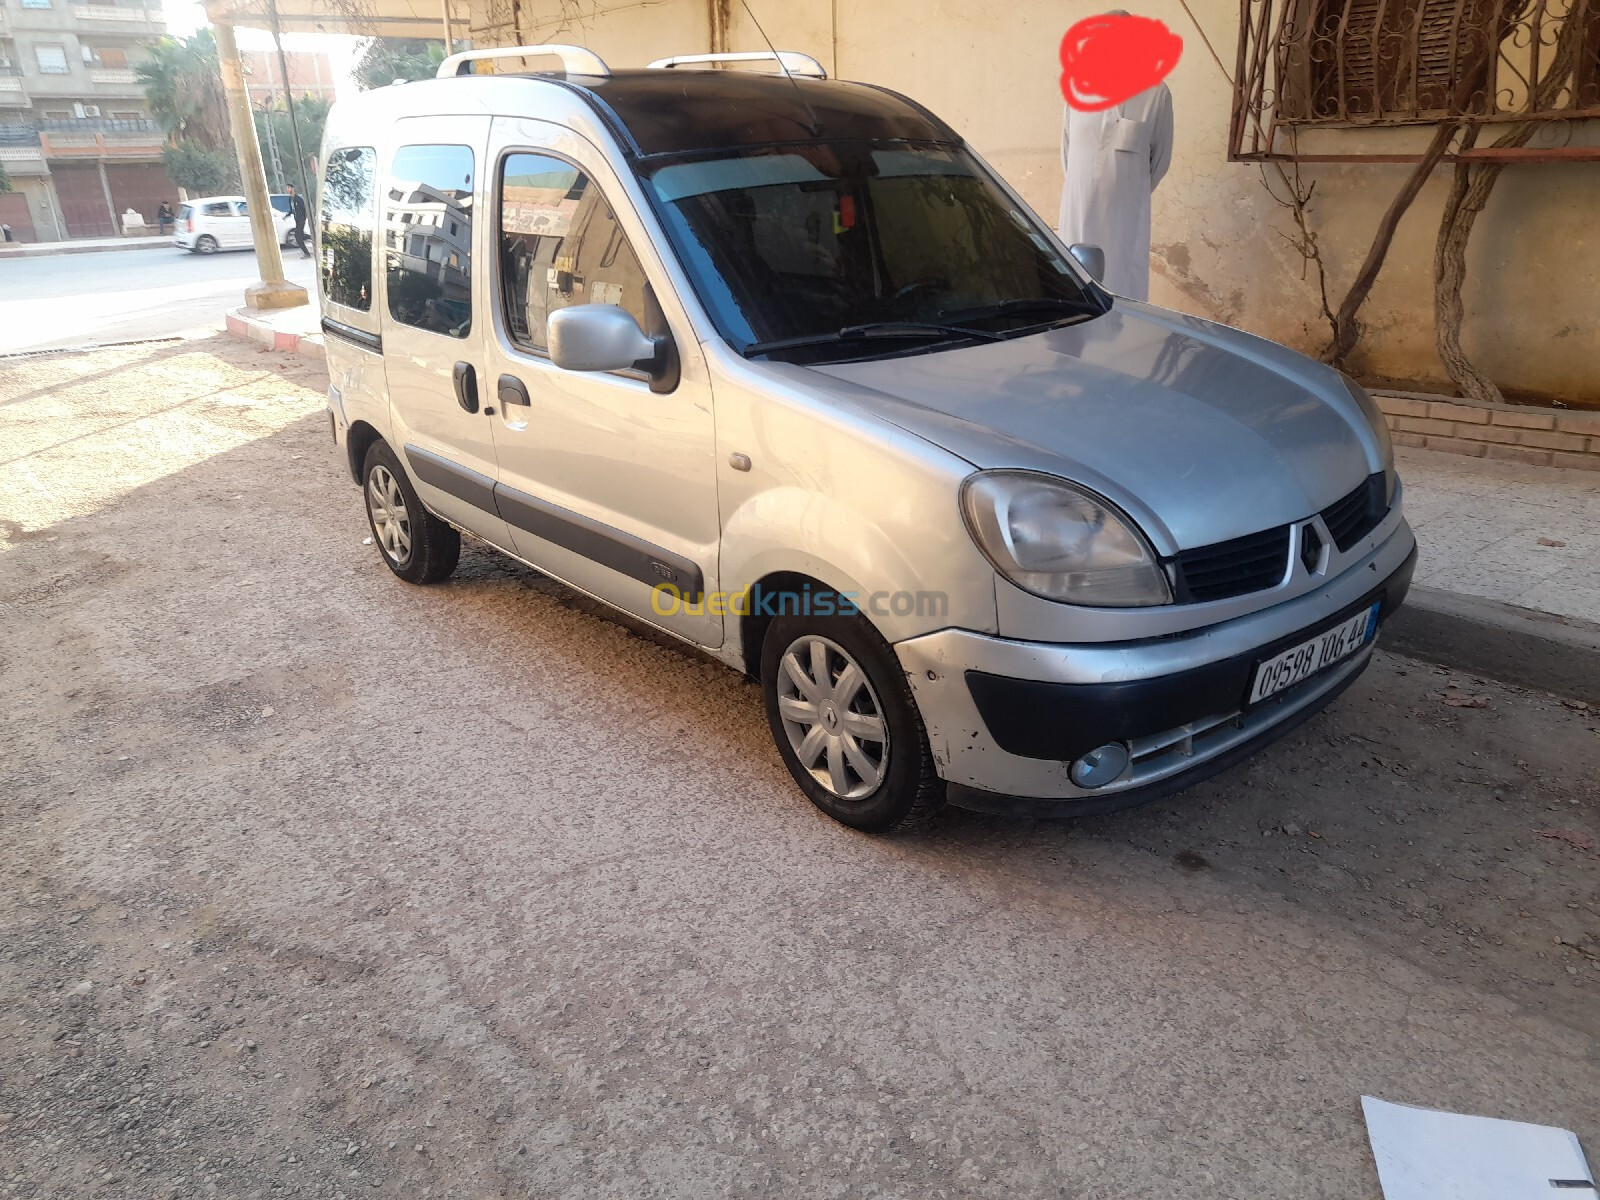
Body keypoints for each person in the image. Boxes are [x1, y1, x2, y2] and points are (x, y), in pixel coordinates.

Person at [1057, 23, 1174, 302]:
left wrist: (1128, 192)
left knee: (1123, 286)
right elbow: (1067, 154)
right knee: (1076, 287)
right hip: (1079, 208)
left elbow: (1160, 160)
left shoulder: (1156, 92)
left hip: (1126, 217)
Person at [286, 183, 311, 258]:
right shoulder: (290, 199)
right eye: (287, 188)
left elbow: (304, 209)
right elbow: (292, 209)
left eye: (289, 188)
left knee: (297, 236)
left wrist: (303, 218)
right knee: (302, 236)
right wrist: (286, 215)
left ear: (293, 189)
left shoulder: (298, 199)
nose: (287, 189)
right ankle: (311, 237)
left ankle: (307, 253)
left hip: (301, 220)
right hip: (296, 220)